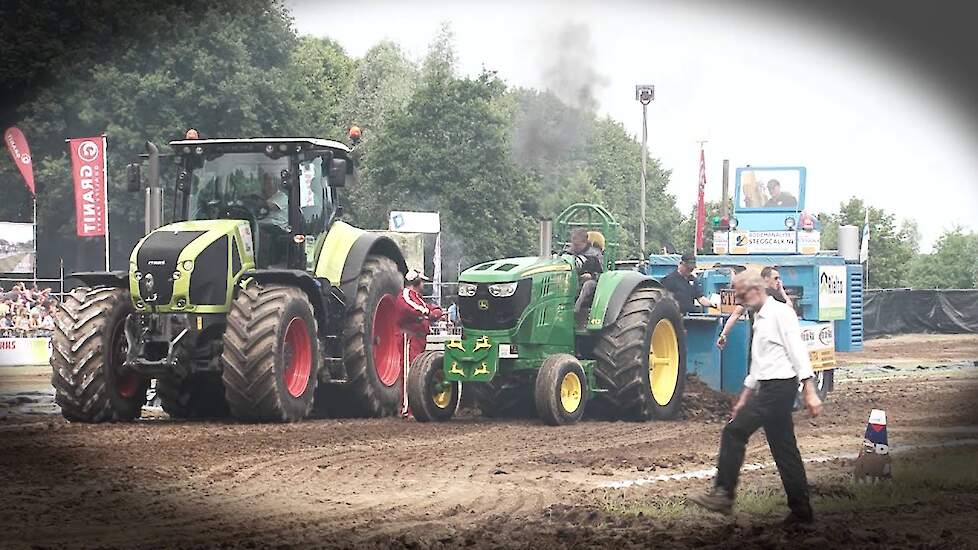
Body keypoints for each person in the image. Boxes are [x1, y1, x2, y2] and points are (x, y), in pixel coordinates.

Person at [689, 270, 822, 527]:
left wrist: (809, 390)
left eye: (741, 295)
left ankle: (723, 494)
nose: (739, 300)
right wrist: (744, 398)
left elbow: (798, 351)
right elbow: (759, 366)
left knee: (734, 432)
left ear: (755, 290)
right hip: (769, 388)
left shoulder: (781, 313)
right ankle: (802, 512)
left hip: (780, 388)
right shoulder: (759, 318)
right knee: (784, 449)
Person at [717, 266, 792, 349]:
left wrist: (723, 335)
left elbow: (735, 315)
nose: (779, 282)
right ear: (766, 278)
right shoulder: (775, 295)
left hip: (756, 343)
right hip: (772, 345)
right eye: (776, 278)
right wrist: (781, 291)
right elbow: (789, 307)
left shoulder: (753, 294)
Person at [395, 269, 444, 363]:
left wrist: (436, 312)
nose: (423, 284)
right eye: (422, 282)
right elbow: (410, 306)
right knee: (410, 367)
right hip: (410, 340)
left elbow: (430, 308)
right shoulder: (406, 295)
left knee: (418, 368)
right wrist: (428, 313)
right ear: (416, 282)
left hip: (419, 340)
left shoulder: (417, 298)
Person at [567, 228, 604, 324]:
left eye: (576, 245)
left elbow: (602, 275)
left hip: (590, 283)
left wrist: (591, 276)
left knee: (588, 284)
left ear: (584, 242)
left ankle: (576, 310)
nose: (573, 247)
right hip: (572, 279)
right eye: (572, 244)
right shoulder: (568, 253)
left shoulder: (595, 254)